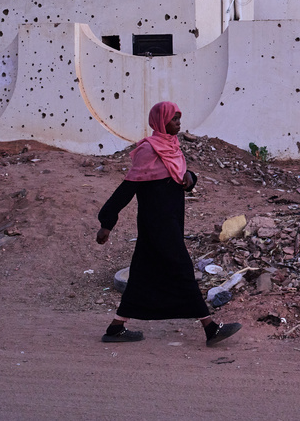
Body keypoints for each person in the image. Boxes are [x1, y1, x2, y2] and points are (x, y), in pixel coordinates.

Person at [95, 101, 240, 346]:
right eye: (174, 119)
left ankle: (116, 327)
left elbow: (180, 177)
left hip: (171, 220)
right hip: (157, 224)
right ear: (161, 121)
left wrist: (190, 177)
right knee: (182, 268)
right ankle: (210, 327)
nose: (179, 123)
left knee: (141, 274)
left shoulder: (172, 147)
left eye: (179, 118)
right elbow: (127, 188)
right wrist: (107, 222)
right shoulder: (148, 150)